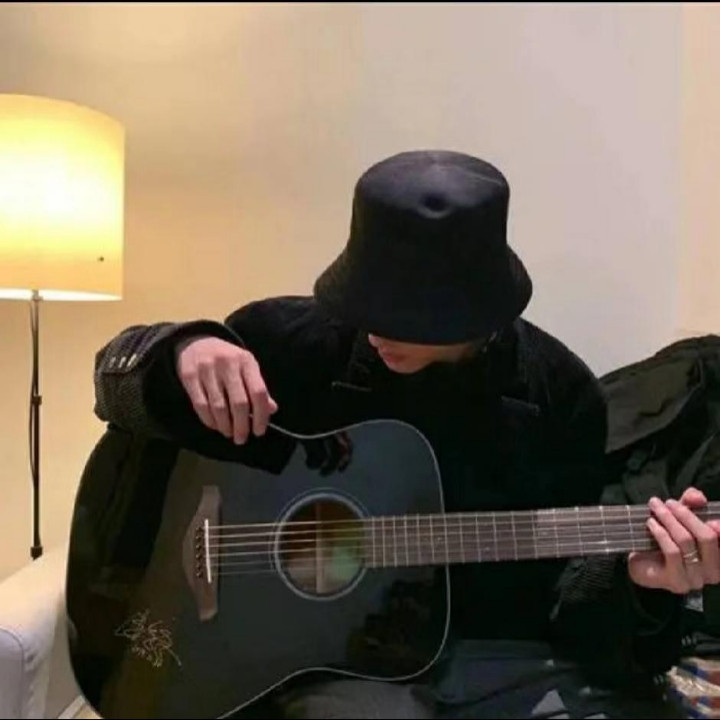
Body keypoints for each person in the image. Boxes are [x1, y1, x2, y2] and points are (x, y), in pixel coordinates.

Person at [93, 150, 720, 719]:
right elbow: (114, 392)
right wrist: (177, 350)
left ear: (474, 311)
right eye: (364, 301)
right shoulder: (291, 342)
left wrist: (642, 587)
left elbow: (565, 605)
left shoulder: (561, 395)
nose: (372, 330)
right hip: (321, 663)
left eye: (401, 316)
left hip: (489, 657)